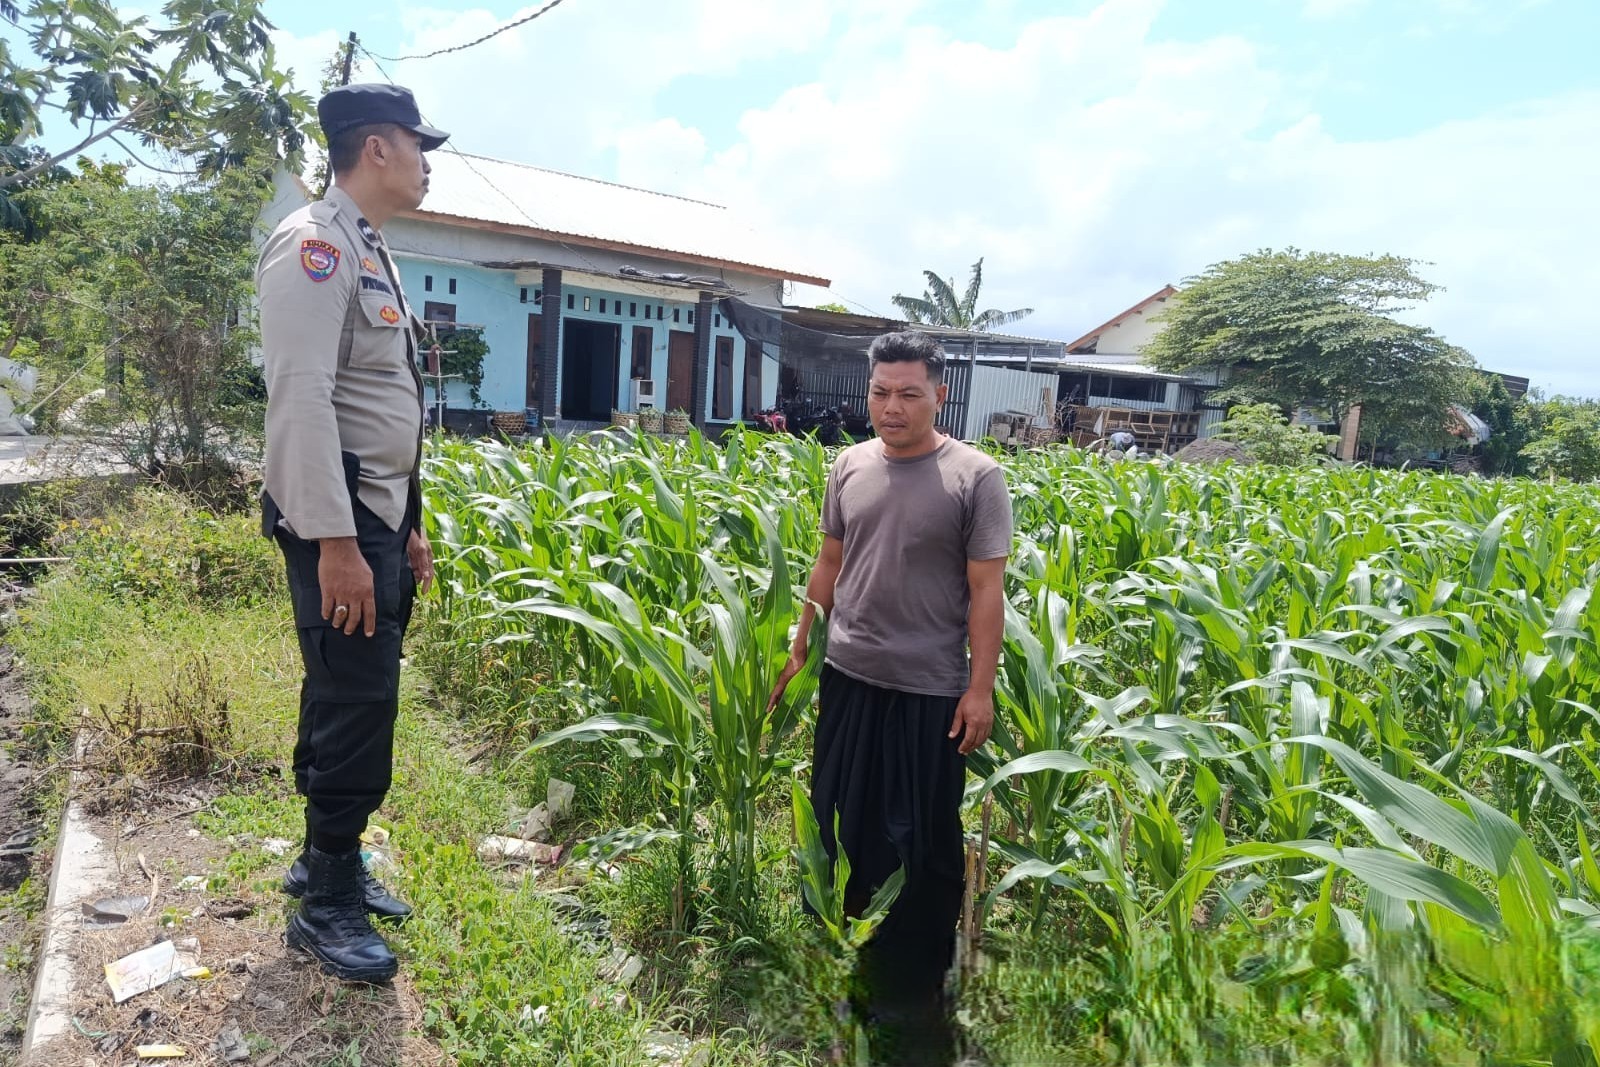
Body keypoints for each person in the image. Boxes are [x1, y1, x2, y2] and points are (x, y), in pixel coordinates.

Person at [768, 331, 1013, 1065]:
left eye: (909, 393)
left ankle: (911, 992)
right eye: (881, 392)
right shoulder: (848, 464)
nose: (892, 407)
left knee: (920, 841)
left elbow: (986, 590)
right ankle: (843, 961)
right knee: (841, 823)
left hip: (928, 691)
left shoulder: (975, 477)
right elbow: (829, 560)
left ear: (940, 394)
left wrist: (979, 688)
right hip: (849, 678)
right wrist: (801, 642)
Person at [256, 83, 449, 983]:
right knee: (357, 696)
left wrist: (408, 525)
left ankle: (322, 858)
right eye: (417, 146)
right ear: (377, 148)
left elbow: (383, 403)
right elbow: (300, 400)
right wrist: (336, 542)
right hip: (337, 517)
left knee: (346, 685)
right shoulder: (315, 247)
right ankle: (327, 900)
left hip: (376, 514)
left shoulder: (371, 248)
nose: (425, 164)